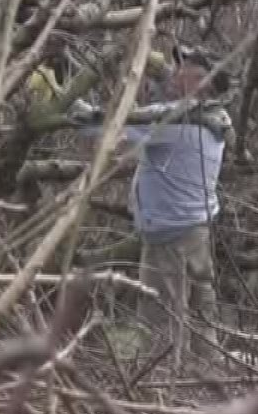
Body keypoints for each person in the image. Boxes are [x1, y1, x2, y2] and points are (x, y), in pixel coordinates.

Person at [67, 43, 232, 369]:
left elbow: (105, 125)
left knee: (160, 323)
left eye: (185, 67)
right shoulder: (216, 118)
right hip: (196, 231)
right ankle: (211, 378)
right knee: (202, 317)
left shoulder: (176, 122)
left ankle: (163, 385)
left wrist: (68, 97)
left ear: (201, 81)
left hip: (169, 237)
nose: (176, 71)